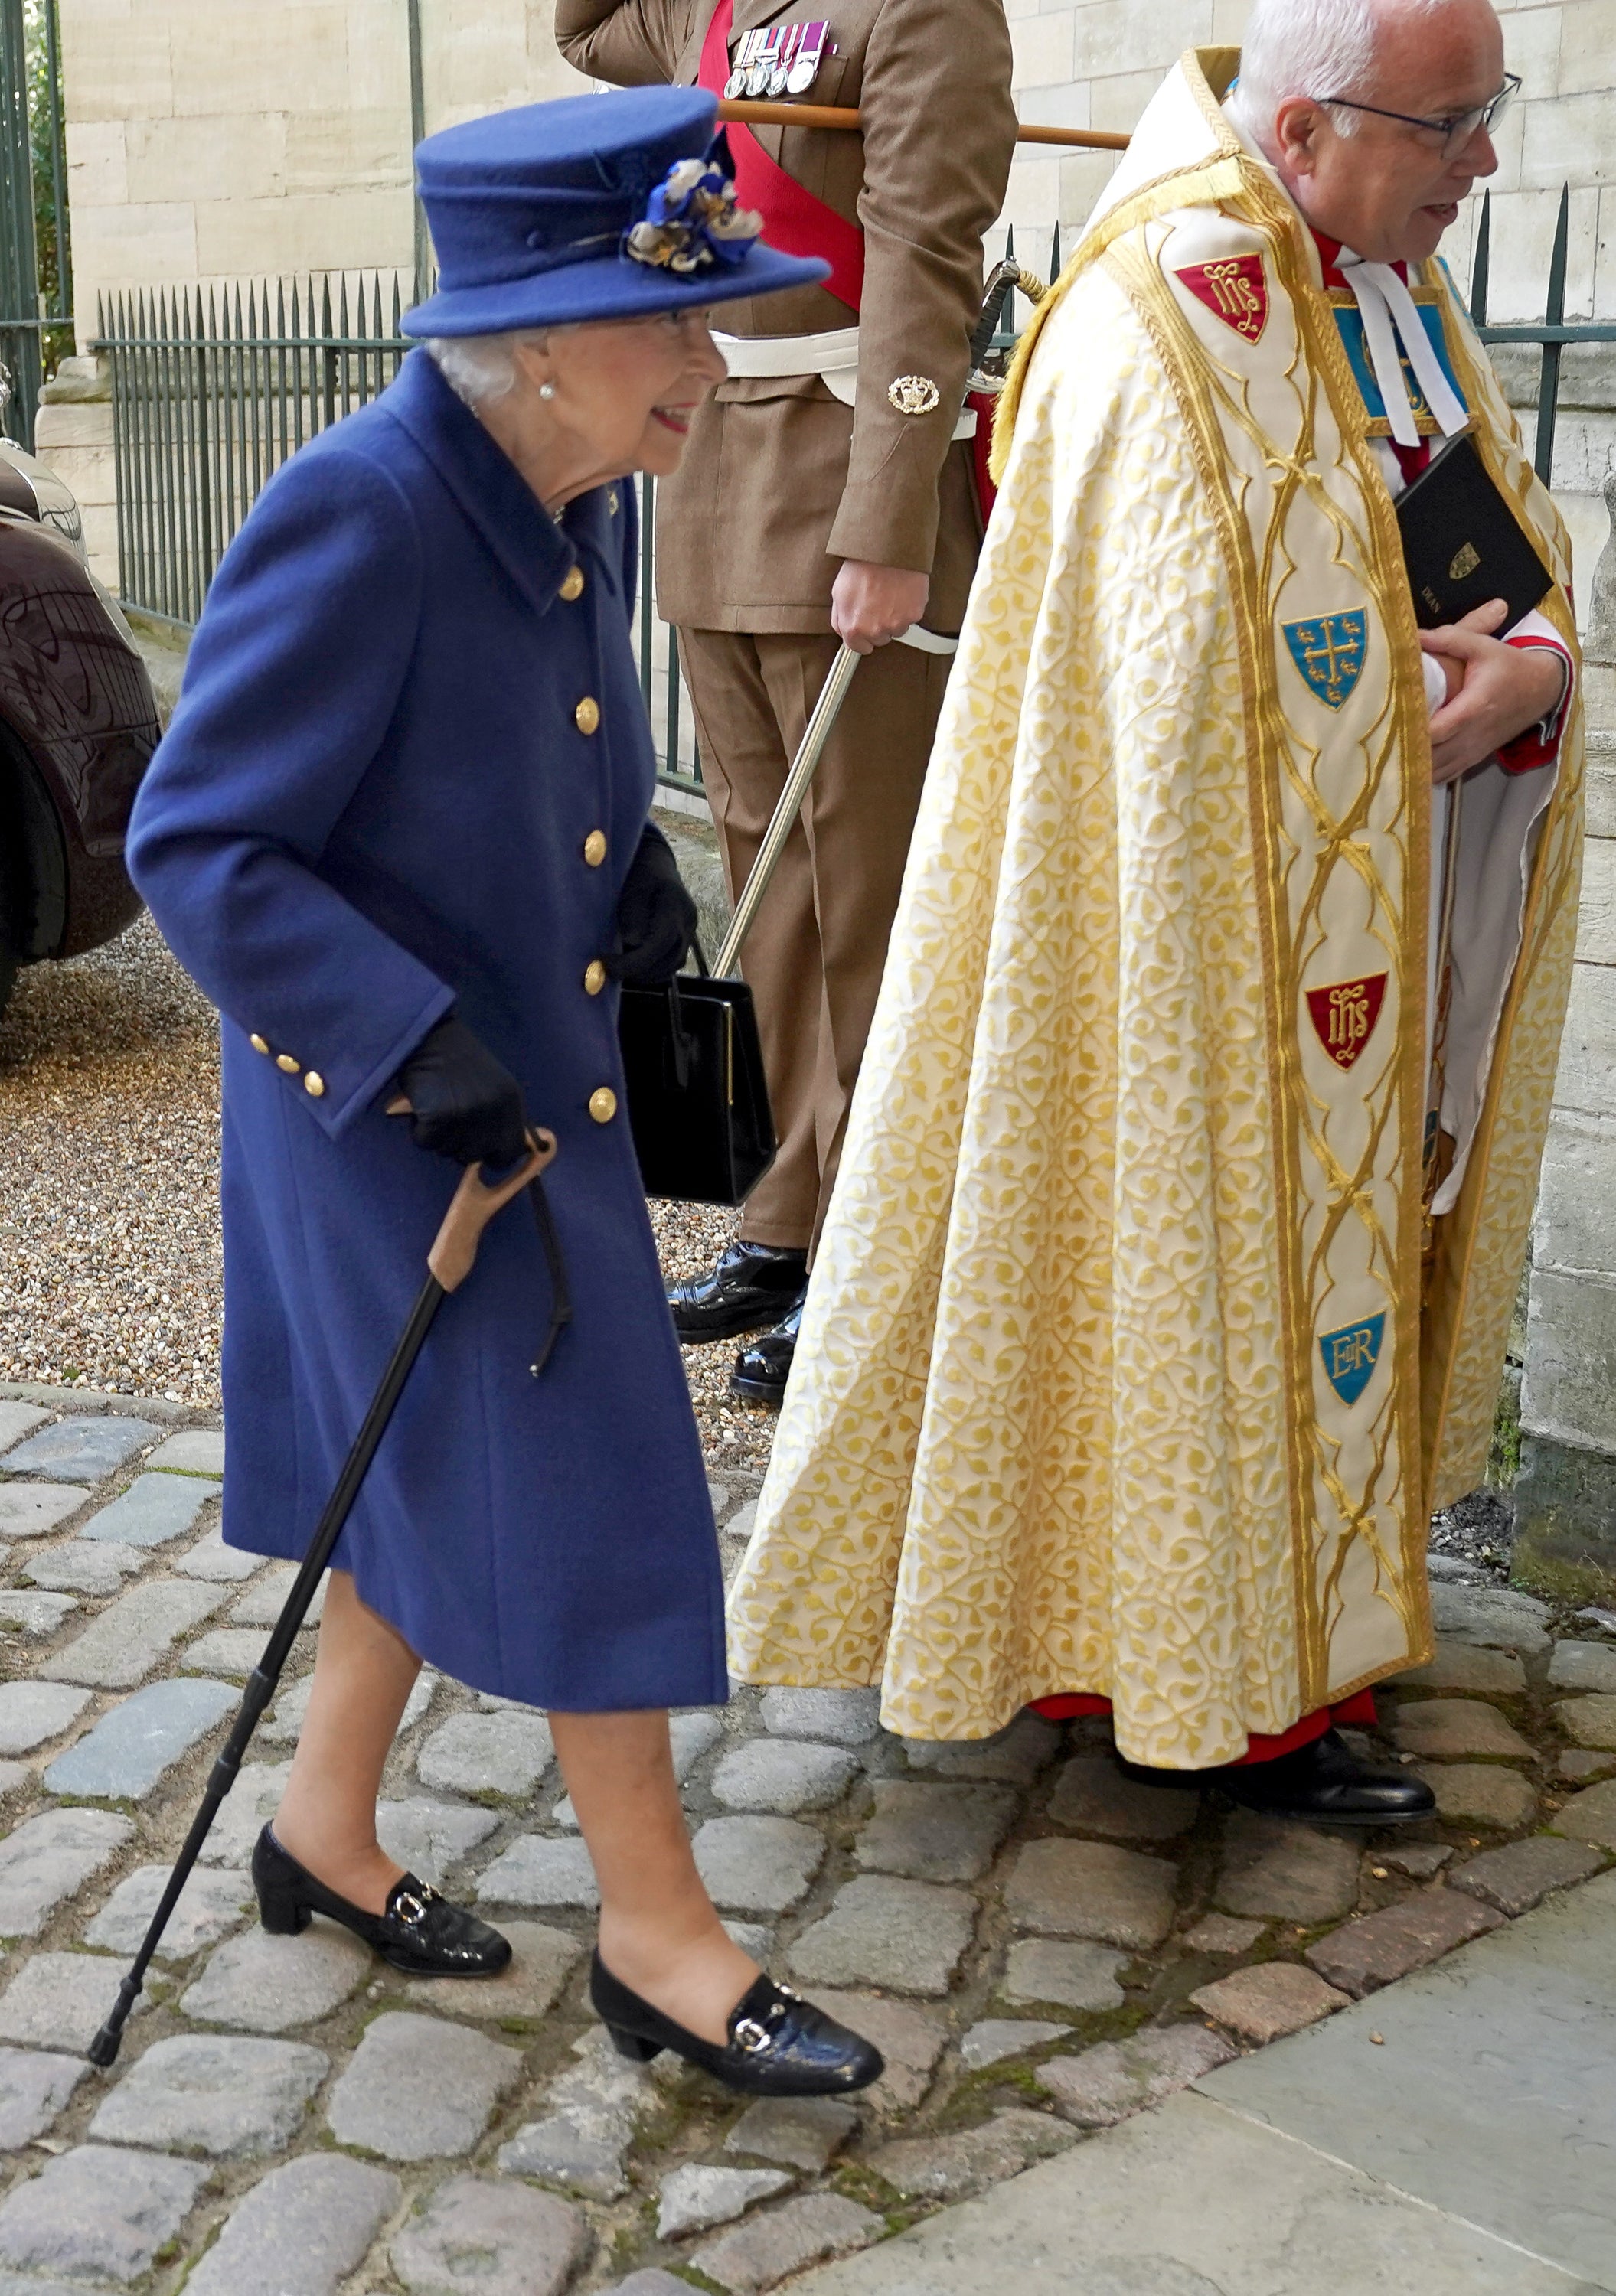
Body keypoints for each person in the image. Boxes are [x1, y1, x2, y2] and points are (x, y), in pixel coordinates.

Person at [727, 0, 1583, 1825]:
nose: (1484, 163)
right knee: (1170, 1245)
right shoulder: (1166, 309)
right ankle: (1198, 1675)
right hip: (1179, 949)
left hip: (1346, 915)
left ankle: (1252, 1639)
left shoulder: (1383, 274)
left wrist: (1538, 668)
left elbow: (1475, 550)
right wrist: (1423, 706)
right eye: (1453, 125)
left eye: (1487, 114)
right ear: (1308, 132)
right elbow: (1181, 688)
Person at [126, 88, 881, 2095]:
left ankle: (321, 1833)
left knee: (407, 1474)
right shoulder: (363, 508)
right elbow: (200, 844)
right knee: (598, 1486)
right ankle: (662, 1936)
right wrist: (404, 1049)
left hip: (526, 1086)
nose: (713, 374)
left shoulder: (581, 477)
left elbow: (550, 751)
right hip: (399, 1123)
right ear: (543, 334)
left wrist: (633, 898)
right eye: (681, 328)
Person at [556, 0, 1018, 1407]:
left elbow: (928, 248)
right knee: (765, 884)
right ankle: (785, 1215)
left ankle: (879, 1265)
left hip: (844, 485)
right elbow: (585, 35)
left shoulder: (921, 7)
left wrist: (889, 525)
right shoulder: (708, 9)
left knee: (867, 901)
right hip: (718, 491)